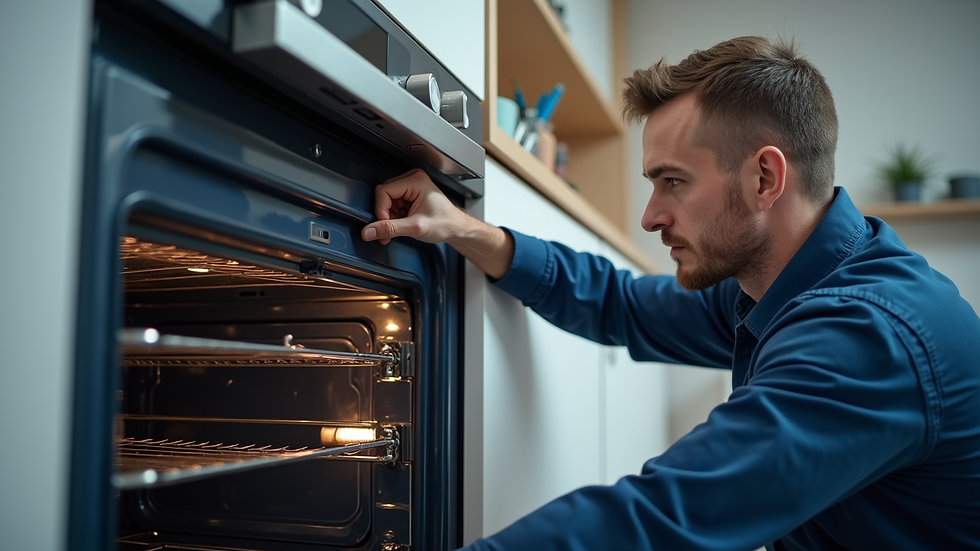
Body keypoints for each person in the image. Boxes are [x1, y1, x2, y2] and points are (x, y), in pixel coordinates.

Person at [361, 36, 980, 551]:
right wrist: (469, 230)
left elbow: (664, 518)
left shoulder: (865, 336)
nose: (651, 216)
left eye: (673, 182)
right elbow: (622, 304)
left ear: (765, 177)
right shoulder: (776, 286)